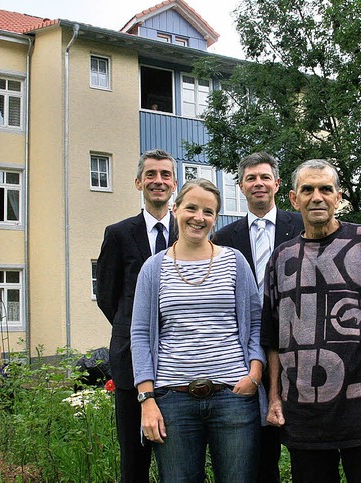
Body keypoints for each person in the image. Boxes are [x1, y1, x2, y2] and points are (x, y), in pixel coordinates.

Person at [261, 159, 361, 483]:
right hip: (304, 415)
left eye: (325, 189)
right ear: (293, 199)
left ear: (338, 197)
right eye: (307, 189)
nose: (317, 196)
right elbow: (273, 339)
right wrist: (274, 397)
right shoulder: (280, 259)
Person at [131, 178, 267, 482]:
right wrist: (147, 399)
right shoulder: (154, 268)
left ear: (215, 218)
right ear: (175, 208)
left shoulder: (235, 262)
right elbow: (140, 336)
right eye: (191, 207)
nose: (199, 217)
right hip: (172, 400)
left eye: (208, 211)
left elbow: (256, 322)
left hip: (233, 397)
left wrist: (255, 374)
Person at [213, 151, 303, 482]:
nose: (258, 183)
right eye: (251, 178)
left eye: (265, 177)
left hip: (299, 347)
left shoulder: (300, 224)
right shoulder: (224, 238)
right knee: (260, 450)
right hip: (247, 353)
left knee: (303, 445)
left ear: (277, 184)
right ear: (241, 186)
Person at [96, 148, 178, 482]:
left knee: (180, 460)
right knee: (134, 460)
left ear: (174, 183)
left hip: (179, 361)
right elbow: (107, 297)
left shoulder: (190, 232)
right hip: (131, 362)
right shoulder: (118, 234)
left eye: (165, 175)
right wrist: (137, 329)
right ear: (138, 182)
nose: (158, 181)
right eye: (151, 175)